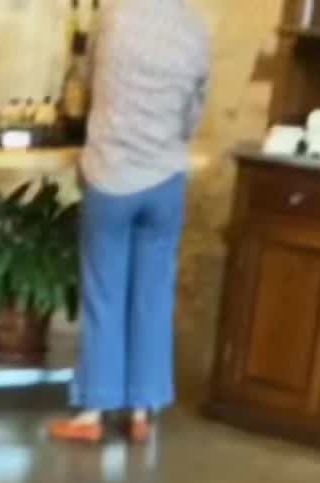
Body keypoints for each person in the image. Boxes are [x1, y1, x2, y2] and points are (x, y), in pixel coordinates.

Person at [50, 0, 212, 447]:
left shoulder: (114, 16)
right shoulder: (195, 29)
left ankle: (94, 412)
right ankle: (142, 410)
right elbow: (193, 114)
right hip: (166, 179)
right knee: (154, 296)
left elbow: (87, 85)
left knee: (104, 296)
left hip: (112, 175)